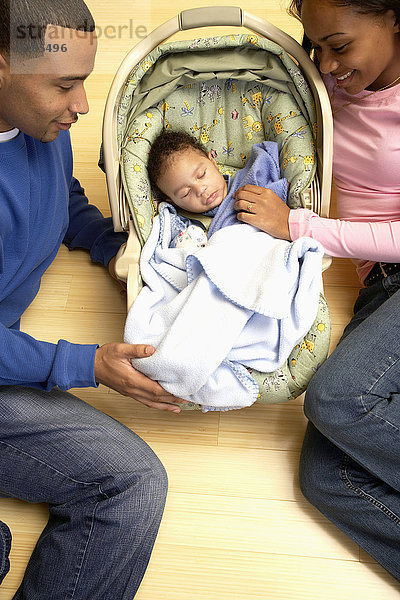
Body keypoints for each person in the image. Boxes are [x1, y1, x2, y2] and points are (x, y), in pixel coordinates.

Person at [0, 1, 187, 597]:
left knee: (133, 482)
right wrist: (86, 364)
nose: (83, 104)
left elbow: (63, 195)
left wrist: (112, 248)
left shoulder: (39, 127)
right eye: (65, 85)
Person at [233, 0, 400, 582]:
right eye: (316, 46)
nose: (326, 64)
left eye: (339, 45)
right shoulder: (319, 82)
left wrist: (299, 226)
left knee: (335, 399)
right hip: (376, 293)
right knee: (326, 477)